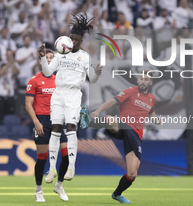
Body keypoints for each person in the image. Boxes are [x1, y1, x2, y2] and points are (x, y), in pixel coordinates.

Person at [38, 14, 102, 181]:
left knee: (71, 129)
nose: (73, 42)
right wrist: (43, 58)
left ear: (81, 41)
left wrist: (97, 74)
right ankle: (51, 169)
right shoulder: (60, 54)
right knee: (56, 130)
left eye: (77, 40)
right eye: (71, 38)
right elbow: (47, 72)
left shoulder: (85, 57)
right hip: (58, 93)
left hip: (74, 94)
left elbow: (93, 79)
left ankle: (71, 168)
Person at [90, 71, 161, 203]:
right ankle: (88, 122)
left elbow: (151, 114)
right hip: (124, 125)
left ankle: (117, 194)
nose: (144, 81)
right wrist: (97, 111)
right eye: (141, 79)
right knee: (111, 120)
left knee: (132, 174)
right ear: (138, 81)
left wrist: (156, 120)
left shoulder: (152, 99)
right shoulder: (130, 91)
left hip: (136, 135)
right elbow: (112, 102)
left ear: (150, 82)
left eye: (147, 79)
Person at [26, 48, 69, 202]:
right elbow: (28, 104)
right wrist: (36, 122)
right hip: (42, 120)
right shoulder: (34, 80)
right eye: (47, 58)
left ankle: (59, 185)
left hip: (57, 120)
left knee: (67, 156)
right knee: (42, 158)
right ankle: (38, 190)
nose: (50, 60)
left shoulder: (59, 80)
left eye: (52, 57)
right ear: (41, 61)